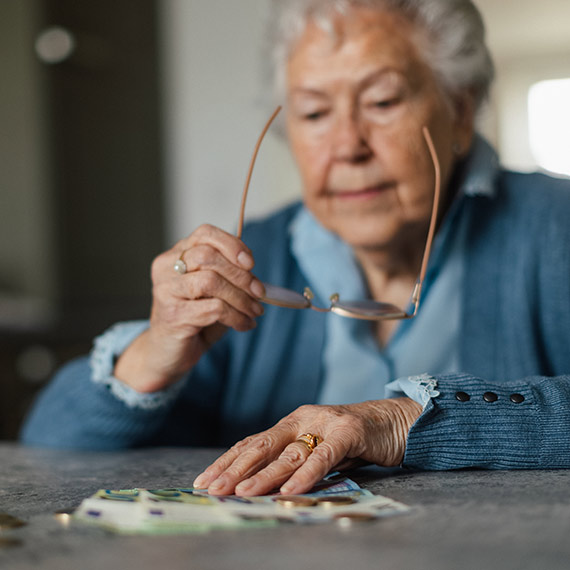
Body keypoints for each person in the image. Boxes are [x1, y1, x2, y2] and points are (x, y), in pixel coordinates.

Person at [22, 0, 570, 497]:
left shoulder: (552, 226)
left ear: (461, 111)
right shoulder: (249, 258)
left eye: (381, 101)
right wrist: (152, 354)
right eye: (313, 113)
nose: (347, 146)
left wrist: (400, 421)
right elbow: (47, 449)